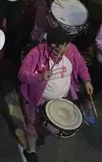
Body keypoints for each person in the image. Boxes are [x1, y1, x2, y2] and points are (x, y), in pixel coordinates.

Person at [19, 27, 93, 162]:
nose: (69, 47)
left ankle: (39, 134)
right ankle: (31, 150)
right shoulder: (36, 54)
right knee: (32, 123)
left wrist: (87, 81)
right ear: (54, 46)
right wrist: (39, 77)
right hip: (38, 99)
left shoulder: (71, 50)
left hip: (62, 98)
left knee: (45, 125)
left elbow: (81, 65)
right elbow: (22, 75)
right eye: (65, 45)